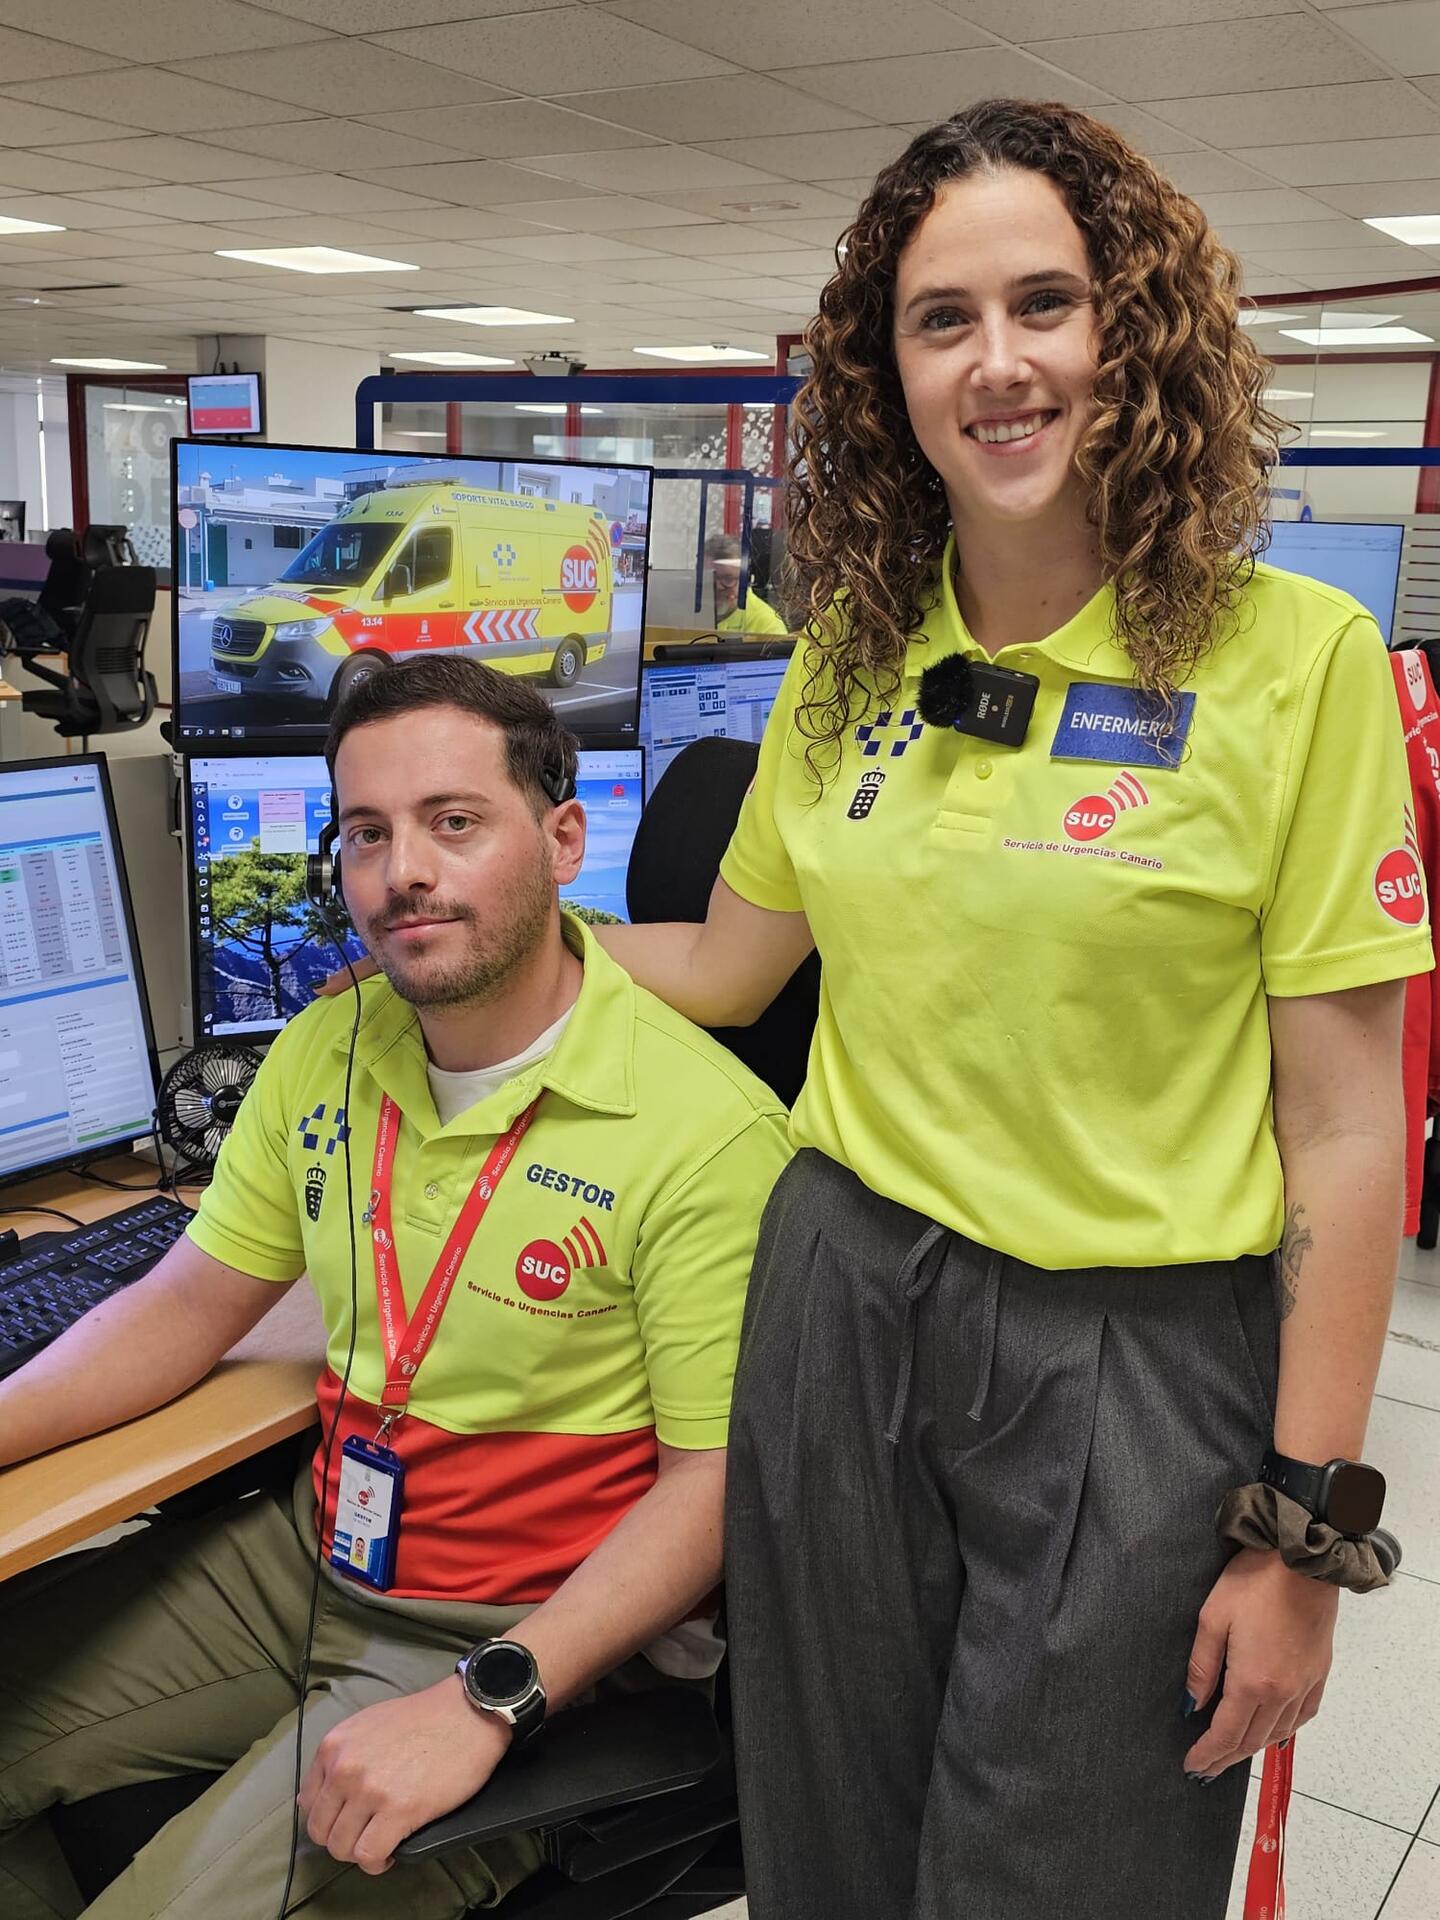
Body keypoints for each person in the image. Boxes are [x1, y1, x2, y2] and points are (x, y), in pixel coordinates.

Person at [594, 99, 1429, 1919]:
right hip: (838, 1305)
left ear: (1131, 331)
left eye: (1045, 303)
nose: (999, 363)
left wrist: (1305, 1532)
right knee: (825, 1852)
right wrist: (483, 942)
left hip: (1129, 1357)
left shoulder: (1296, 663)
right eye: (940, 319)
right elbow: (736, 966)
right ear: (885, 371)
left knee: (1071, 1877)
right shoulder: (850, 654)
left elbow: (1351, 1130)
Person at [0, 658, 790, 1920]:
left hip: (523, 1636)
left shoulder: (707, 1133)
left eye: (453, 822)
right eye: (366, 834)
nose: (402, 871)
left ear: (563, 836)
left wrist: (498, 1695)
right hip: (315, 1560)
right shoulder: (333, 1040)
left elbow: (715, 1491)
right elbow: (181, 1308)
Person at [705, 533, 789, 636]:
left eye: (728, 578)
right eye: (709, 577)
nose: (717, 586)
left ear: (744, 580)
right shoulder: (688, 610)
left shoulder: (767, 625)